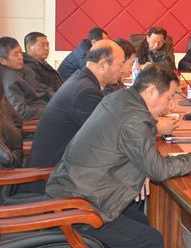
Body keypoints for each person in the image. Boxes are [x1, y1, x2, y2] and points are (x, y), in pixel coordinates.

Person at [46, 64, 191, 248]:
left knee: (140, 222)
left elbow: (130, 150)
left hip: (74, 189)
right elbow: (158, 169)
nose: (170, 105)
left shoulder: (121, 98)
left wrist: (141, 168)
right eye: (169, 97)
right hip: (81, 207)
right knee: (150, 242)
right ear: (150, 91)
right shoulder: (135, 119)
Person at [27, 40, 126, 171]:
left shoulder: (83, 80)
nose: (123, 71)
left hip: (65, 163)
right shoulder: (85, 92)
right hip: (52, 173)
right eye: (120, 65)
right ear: (102, 65)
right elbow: (109, 135)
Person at [0, 36, 54, 121]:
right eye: (16, 54)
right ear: (2, 60)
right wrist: (51, 111)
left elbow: (41, 87)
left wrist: (58, 100)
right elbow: (21, 112)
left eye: (20, 52)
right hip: (40, 116)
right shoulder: (10, 80)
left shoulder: (21, 67)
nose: (21, 57)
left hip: (47, 105)